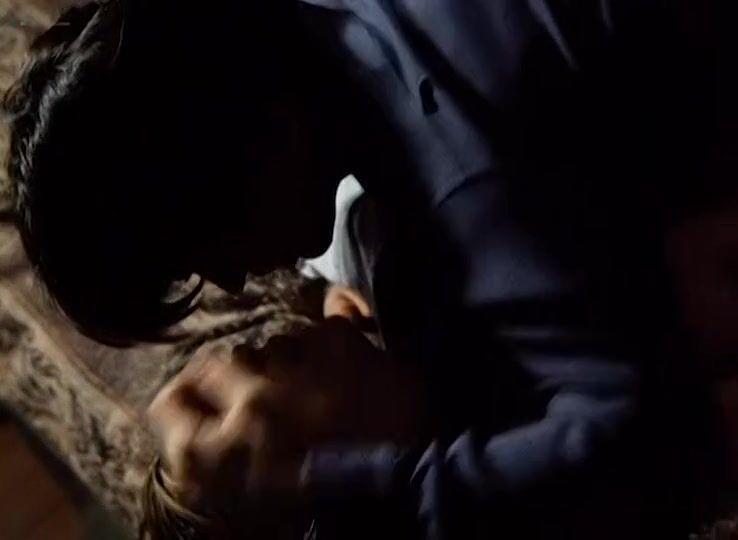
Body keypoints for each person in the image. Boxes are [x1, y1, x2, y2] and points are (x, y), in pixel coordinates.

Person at [3, 0, 723, 538]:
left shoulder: (468, 180)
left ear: (240, 143)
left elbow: (653, 440)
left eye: (201, 251)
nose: (233, 284)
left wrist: (337, 486)